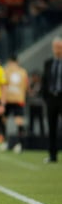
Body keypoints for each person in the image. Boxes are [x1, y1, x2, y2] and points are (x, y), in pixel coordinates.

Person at [0, 55, 29, 153]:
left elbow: (25, 86)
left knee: (19, 122)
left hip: (17, 100)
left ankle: (19, 144)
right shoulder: (9, 71)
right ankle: (6, 142)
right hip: (8, 100)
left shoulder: (16, 72)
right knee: (4, 120)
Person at [40, 36, 62, 164]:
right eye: (55, 47)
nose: (57, 49)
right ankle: (52, 155)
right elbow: (45, 81)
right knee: (52, 127)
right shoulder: (48, 63)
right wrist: (45, 97)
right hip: (51, 99)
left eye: (59, 47)